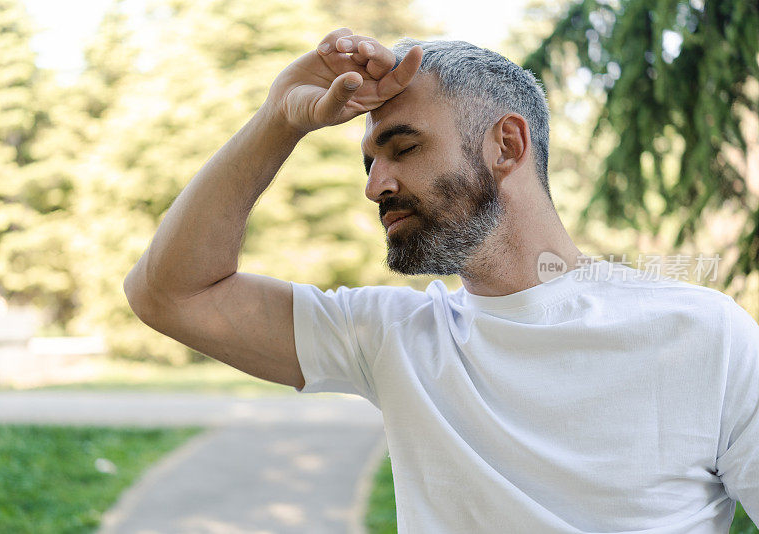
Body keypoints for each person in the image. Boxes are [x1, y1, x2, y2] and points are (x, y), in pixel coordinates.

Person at [123, 28, 759, 533]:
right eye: (369, 162)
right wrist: (280, 118)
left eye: (404, 148)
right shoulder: (392, 337)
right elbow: (169, 293)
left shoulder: (703, 334)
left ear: (506, 146)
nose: (375, 186)